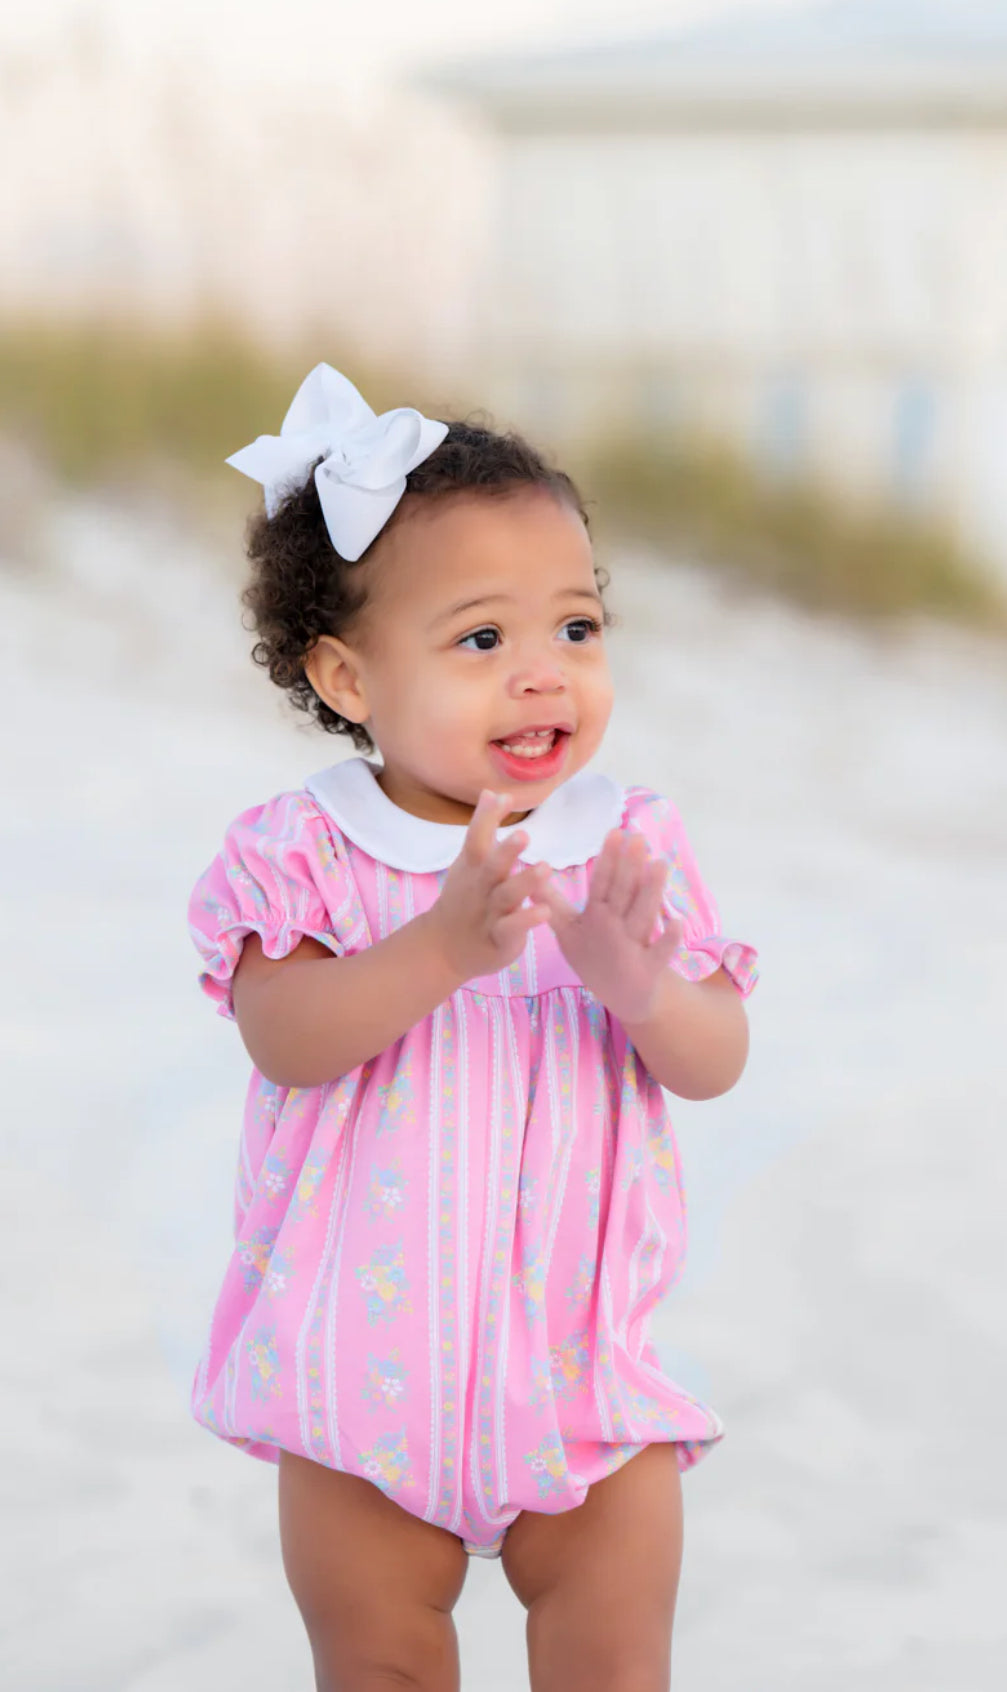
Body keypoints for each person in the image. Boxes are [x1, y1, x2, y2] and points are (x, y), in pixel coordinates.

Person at [187, 363, 759, 1692]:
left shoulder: (625, 841)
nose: (545, 677)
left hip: (584, 1381)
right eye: (483, 641)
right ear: (346, 676)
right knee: (379, 1658)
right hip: (359, 1382)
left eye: (577, 627)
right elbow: (287, 1035)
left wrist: (638, 984)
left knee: (616, 1660)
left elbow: (717, 1056)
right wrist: (442, 947)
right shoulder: (306, 854)